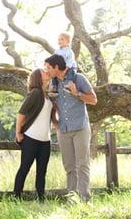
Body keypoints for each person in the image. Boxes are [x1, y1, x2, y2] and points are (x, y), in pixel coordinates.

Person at [44, 54, 97, 202]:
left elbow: (93, 100)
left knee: (82, 165)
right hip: (63, 129)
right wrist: (54, 121)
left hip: (80, 127)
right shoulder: (53, 83)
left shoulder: (78, 78)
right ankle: (72, 198)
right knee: (69, 166)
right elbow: (54, 105)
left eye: (48, 67)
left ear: (56, 67)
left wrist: (77, 93)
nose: (46, 70)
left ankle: (85, 199)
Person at [13, 68, 56, 201]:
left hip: (45, 140)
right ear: (38, 77)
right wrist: (18, 133)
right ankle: (16, 196)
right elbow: (21, 114)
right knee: (24, 168)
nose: (47, 72)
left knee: (42, 171)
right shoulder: (35, 93)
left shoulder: (47, 95)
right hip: (31, 138)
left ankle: (41, 198)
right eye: (43, 71)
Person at [49, 32, 78, 96]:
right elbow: (54, 59)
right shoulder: (57, 51)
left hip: (69, 66)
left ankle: (70, 85)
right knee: (54, 74)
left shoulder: (69, 51)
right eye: (58, 40)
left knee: (71, 72)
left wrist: (65, 70)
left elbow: (70, 62)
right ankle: (54, 87)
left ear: (68, 41)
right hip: (60, 67)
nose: (59, 41)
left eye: (62, 39)